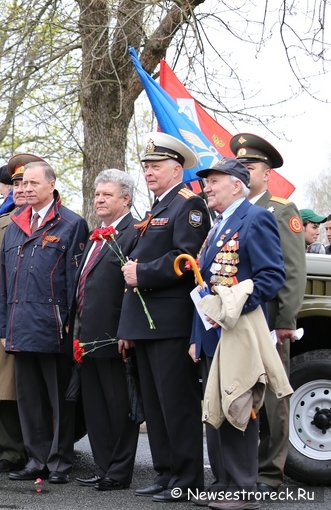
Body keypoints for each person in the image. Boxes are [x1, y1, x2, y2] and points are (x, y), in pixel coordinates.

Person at [117, 132, 209, 502]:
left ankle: (186, 479)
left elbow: (187, 258)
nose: (149, 172)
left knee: (177, 404)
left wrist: (144, 273)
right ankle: (165, 472)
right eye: (146, 167)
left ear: (176, 169)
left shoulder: (189, 205)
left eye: (156, 166)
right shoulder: (156, 208)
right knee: (154, 407)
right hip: (146, 321)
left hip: (171, 322)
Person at [189, 158, 286, 508]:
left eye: (214, 181)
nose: (207, 187)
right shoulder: (217, 225)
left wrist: (233, 308)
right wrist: (196, 338)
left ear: (236, 184)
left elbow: (272, 276)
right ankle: (223, 482)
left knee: (239, 406)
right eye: (206, 182)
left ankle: (243, 488)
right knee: (216, 405)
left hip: (237, 331)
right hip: (212, 333)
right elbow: (205, 286)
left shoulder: (255, 218)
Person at [0, 159, 88, 484]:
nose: (27, 189)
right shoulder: (15, 224)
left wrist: (70, 323)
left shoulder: (71, 224)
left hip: (53, 325)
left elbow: (74, 280)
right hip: (19, 325)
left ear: (51, 185)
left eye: (34, 183)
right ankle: (36, 460)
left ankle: (60, 462)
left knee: (58, 400)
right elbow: (5, 283)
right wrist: (3, 326)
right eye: (22, 184)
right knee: (29, 399)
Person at [233, 133, 307, 492]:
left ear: (266, 174)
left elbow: (293, 270)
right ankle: (243, 467)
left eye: (251, 167)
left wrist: (286, 322)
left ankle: (269, 472)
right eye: (241, 167)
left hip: (269, 318)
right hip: (238, 318)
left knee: (274, 398)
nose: (245, 174)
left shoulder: (280, 209)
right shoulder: (233, 211)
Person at [72, 169, 140, 491]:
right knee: (95, 406)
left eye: (107, 195)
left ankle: (119, 471)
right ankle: (103, 466)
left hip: (114, 336)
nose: (99, 199)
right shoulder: (96, 234)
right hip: (87, 336)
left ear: (125, 199)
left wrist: (126, 331)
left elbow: (132, 290)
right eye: (97, 194)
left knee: (118, 406)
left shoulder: (133, 233)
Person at [0, 158, 37, 473]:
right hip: (3, 317)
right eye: (15, 184)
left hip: (38, 319)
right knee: (1, 389)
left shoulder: (57, 221)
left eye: (25, 184)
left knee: (35, 390)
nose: (20, 190)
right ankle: (10, 452)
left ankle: (39, 452)